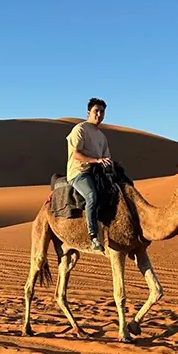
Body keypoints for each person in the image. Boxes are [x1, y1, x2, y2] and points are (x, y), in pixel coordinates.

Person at [66, 97, 113, 252]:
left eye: (102, 111)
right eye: (96, 111)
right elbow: (76, 155)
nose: (99, 114)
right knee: (92, 196)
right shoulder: (80, 129)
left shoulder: (102, 137)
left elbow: (107, 157)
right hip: (79, 173)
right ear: (88, 112)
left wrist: (108, 164)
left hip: (96, 173)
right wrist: (96, 160)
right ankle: (93, 236)